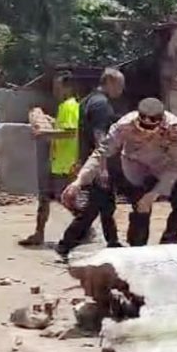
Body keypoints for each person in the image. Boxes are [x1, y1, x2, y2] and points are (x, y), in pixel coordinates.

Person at [62, 98, 177, 246]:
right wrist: (80, 180)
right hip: (136, 167)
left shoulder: (175, 129)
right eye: (141, 128)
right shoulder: (124, 125)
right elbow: (101, 153)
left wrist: (154, 194)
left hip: (164, 167)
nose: (145, 134)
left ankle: (170, 237)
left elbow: (175, 166)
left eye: (150, 129)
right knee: (141, 207)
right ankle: (136, 247)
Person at [54, 68, 125, 257]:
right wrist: (101, 169)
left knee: (106, 205)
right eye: (120, 84)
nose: (122, 89)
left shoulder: (87, 101)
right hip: (97, 164)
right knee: (91, 210)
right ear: (109, 81)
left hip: (89, 160)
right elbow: (99, 136)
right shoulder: (102, 104)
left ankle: (113, 243)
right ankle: (64, 245)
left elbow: (83, 135)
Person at [19, 74, 86, 246]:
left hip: (64, 163)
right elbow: (66, 128)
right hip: (57, 161)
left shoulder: (71, 106)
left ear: (69, 87)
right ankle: (39, 234)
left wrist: (45, 133)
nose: (55, 91)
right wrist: (52, 122)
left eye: (58, 87)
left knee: (66, 200)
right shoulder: (65, 106)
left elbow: (71, 132)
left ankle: (86, 229)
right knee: (45, 198)